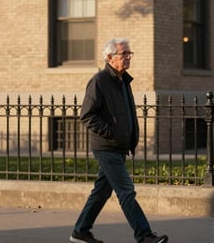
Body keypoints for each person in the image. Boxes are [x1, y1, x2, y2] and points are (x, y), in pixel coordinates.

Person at [70, 38, 168, 243]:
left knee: (101, 192)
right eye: (124, 54)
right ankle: (144, 235)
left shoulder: (124, 81)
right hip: (107, 146)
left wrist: (129, 138)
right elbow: (87, 115)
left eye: (129, 53)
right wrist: (111, 134)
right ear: (109, 57)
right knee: (126, 191)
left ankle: (80, 232)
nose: (127, 57)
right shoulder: (100, 81)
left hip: (119, 147)